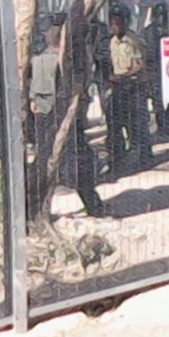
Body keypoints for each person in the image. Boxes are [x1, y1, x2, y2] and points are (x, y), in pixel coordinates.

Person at [29, 25, 104, 219]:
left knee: (45, 162)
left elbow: (35, 101)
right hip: (66, 118)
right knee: (80, 162)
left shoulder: (38, 61)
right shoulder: (63, 62)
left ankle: (37, 210)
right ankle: (93, 206)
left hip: (46, 119)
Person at [107, 2, 152, 174]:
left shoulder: (134, 41)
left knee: (138, 124)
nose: (115, 26)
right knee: (116, 123)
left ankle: (145, 157)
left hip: (134, 86)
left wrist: (124, 76)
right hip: (119, 87)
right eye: (113, 22)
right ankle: (118, 159)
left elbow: (141, 65)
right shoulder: (112, 42)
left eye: (118, 22)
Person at [143, 2, 169, 139]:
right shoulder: (147, 32)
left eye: (164, 16)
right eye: (158, 16)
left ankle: (167, 118)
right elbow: (142, 52)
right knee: (157, 100)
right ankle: (162, 125)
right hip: (154, 69)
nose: (161, 19)